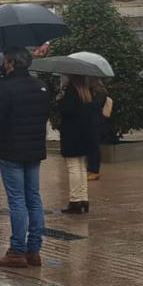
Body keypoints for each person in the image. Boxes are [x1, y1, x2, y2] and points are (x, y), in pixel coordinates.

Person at [0, 47, 51, 269]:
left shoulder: (5, 88)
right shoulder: (40, 86)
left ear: (10, 64)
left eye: (4, 62)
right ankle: (34, 250)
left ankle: (17, 251)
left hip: (10, 150)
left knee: (17, 201)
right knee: (34, 198)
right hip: (34, 149)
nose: (2, 65)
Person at [58, 75, 102, 214]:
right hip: (86, 135)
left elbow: (66, 110)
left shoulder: (71, 92)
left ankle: (75, 200)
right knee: (82, 168)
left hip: (73, 136)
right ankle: (84, 199)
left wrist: (60, 99)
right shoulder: (88, 91)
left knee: (73, 168)